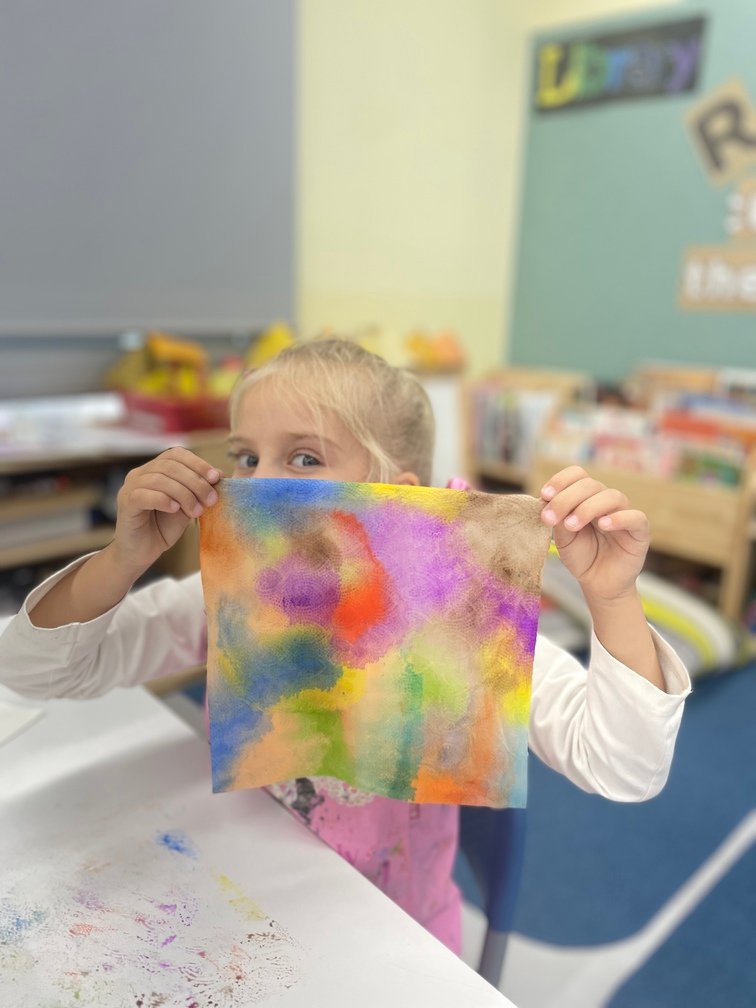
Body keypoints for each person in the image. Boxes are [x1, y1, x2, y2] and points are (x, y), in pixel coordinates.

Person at [0, 338, 690, 954]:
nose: (256, 483)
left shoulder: (468, 616)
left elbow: (623, 768)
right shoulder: (232, 593)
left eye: (303, 457)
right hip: (245, 906)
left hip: (393, 940)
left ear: (397, 495)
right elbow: (33, 671)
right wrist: (121, 559)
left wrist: (612, 599)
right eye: (245, 457)